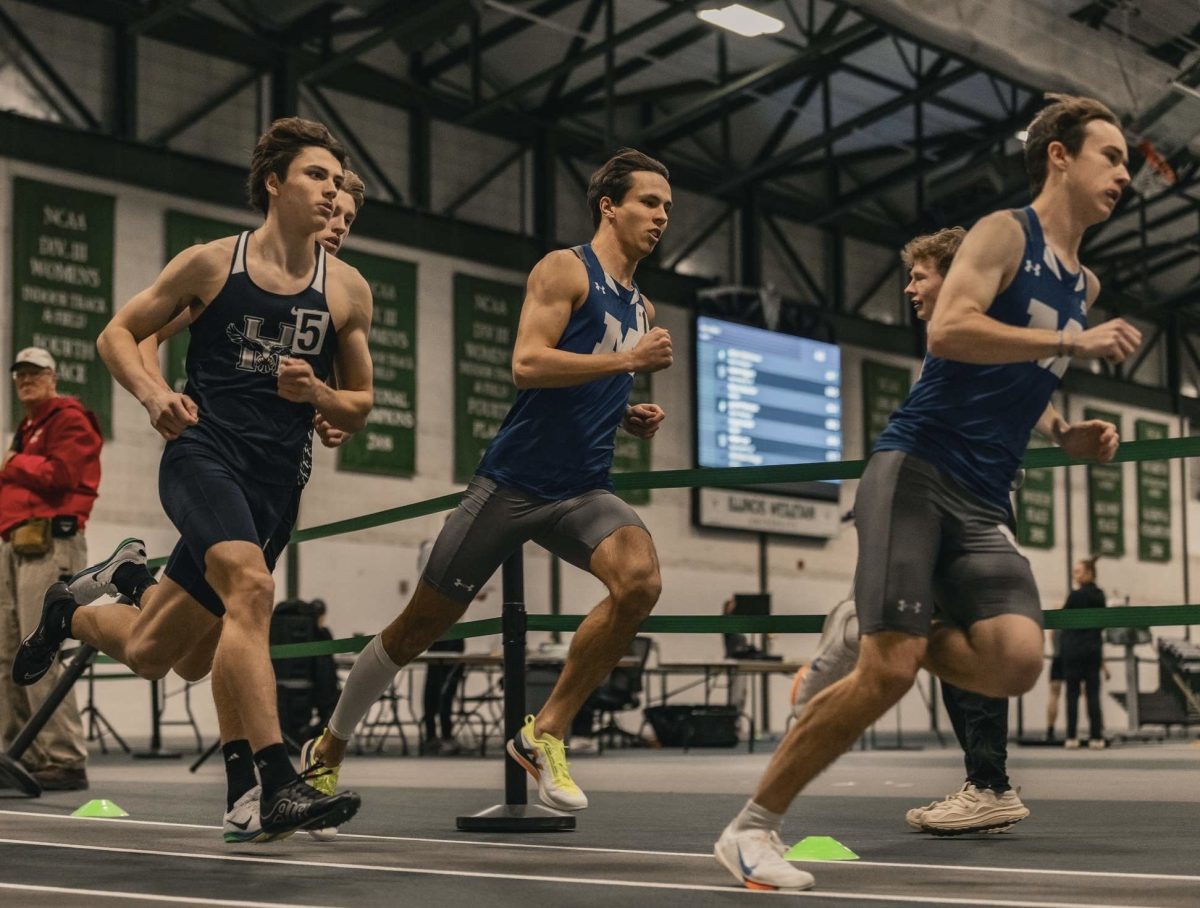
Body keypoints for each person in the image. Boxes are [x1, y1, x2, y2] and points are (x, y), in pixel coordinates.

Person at [714, 93, 1141, 892]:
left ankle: (873, 624)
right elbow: (949, 330)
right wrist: (1070, 340)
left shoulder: (1082, 281)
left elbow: (1019, 371)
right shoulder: (1002, 233)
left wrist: (1061, 435)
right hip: (916, 471)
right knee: (890, 672)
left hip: (984, 498)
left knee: (1015, 661)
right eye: (1110, 156)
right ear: (1059, 156)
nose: (1123, 173)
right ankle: (751, 829)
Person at [14, 119, 372, 842]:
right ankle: (272, 782)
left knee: (169, 655)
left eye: (343, 196)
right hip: (204, 456)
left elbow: (359, 403)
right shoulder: (214, 265)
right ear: (275, 184)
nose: (334, 205)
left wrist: (322, 403)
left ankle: (75, 610)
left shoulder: (348, 292)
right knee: (252, 590)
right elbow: (124, 333)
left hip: (276, 484)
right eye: (320, 182)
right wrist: (154, 395)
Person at [304, 148, 674, 819]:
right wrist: (629, 360)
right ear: (609, 206)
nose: (661, 217)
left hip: (583, 493)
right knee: (415, 631)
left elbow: (584, 380)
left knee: (640, 581)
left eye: (668, 208)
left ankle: (546, 732)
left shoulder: (640, 304)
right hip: (512, 486)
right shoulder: (566, 269)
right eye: (650, 202)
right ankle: (329, 744)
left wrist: (626, 411)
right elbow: (527, 364)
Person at [792, 229, 1031, 837]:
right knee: (942, 633)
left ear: (956, 275)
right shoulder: (963, 342)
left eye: (921, 275)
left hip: (963, 504)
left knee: (949, 636)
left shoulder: (969, 336)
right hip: (951, 497)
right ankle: (987, 782)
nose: (910, 287)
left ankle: (989, 784)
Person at [0, 347, 101, 791]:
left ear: (53, 377)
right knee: (8, 655)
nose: (26, 380)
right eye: (20, 374)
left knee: (40, 649)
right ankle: (19, 752)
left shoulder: (69, 418)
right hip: (16, 544)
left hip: (49, 543)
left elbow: (62, 475)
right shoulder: (26, 429)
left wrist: (11, 463)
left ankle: (63, 757)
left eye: (35, 373)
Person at [1060, 557, 1107, 748]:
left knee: (1072, 693)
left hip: (1072, 650)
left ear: (1089, 573)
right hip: (1093, 650)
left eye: (1078, 571)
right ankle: (1096, 737)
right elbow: (1103, 623)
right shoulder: (1100, 595)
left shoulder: (1075, 595)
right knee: (1093, 693)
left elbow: (1063, 620)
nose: (1075, 575)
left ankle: (1072, 736)